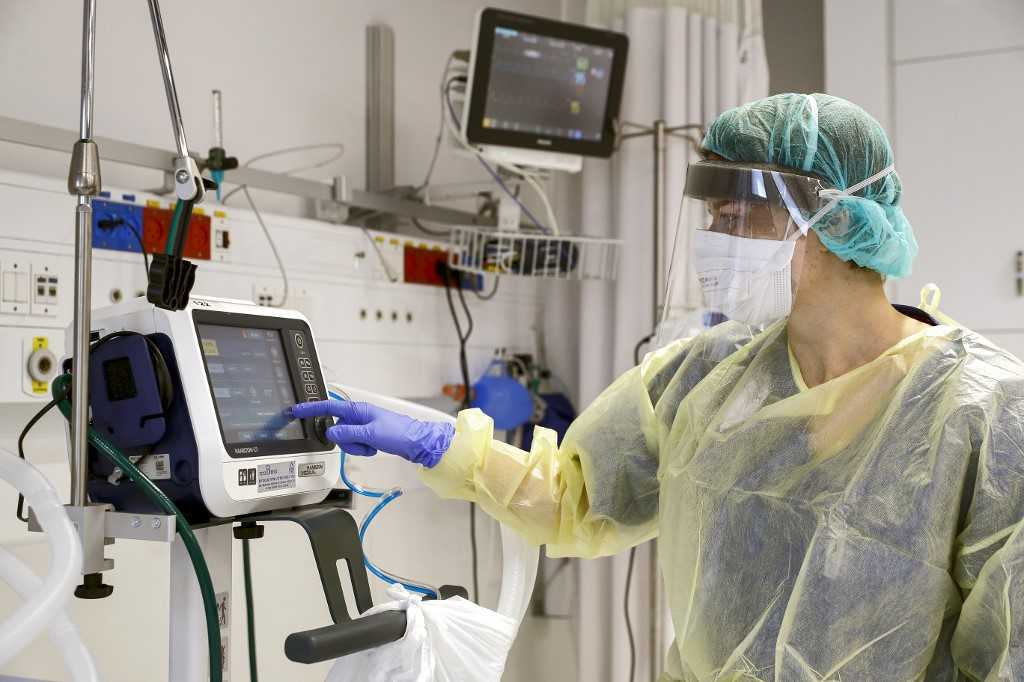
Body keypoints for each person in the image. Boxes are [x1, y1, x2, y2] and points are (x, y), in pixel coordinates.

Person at [292, 93, 1024, 680]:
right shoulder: (707, 375)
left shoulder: (984, 412)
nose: (715, 238)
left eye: (736, 215)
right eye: (710, 217)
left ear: (832, 215)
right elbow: (580, 498)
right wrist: (442, 445)